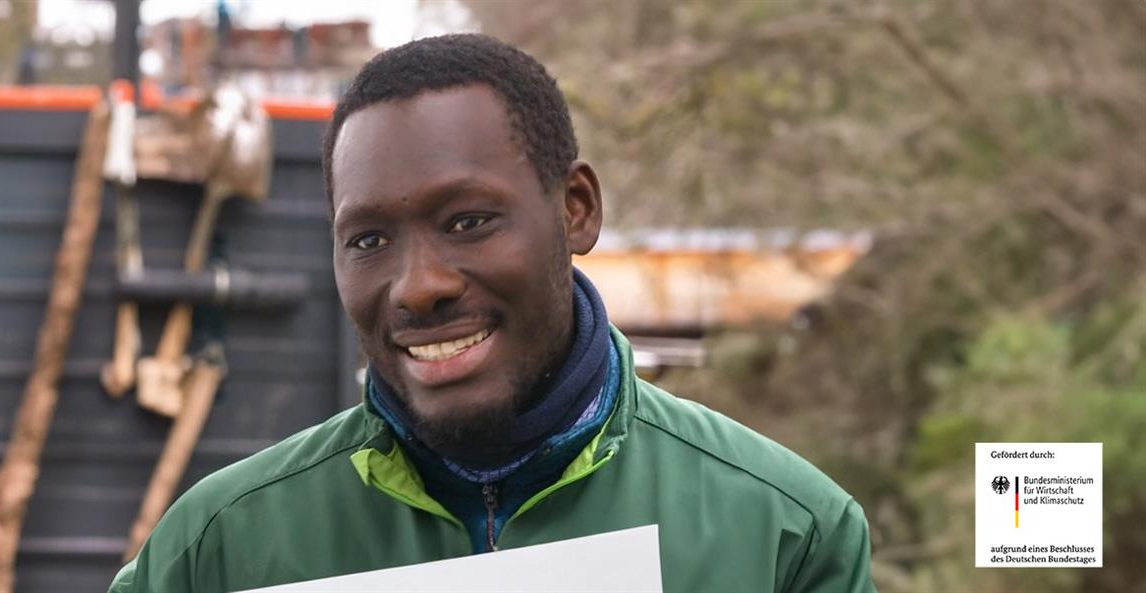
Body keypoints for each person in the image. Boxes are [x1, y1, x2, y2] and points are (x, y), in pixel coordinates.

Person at [110, 34, 875, 593]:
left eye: (468, 221)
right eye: (369, 238)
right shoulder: (218, 548)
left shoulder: (787, 533)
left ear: (576, 210)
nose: (418, 286)